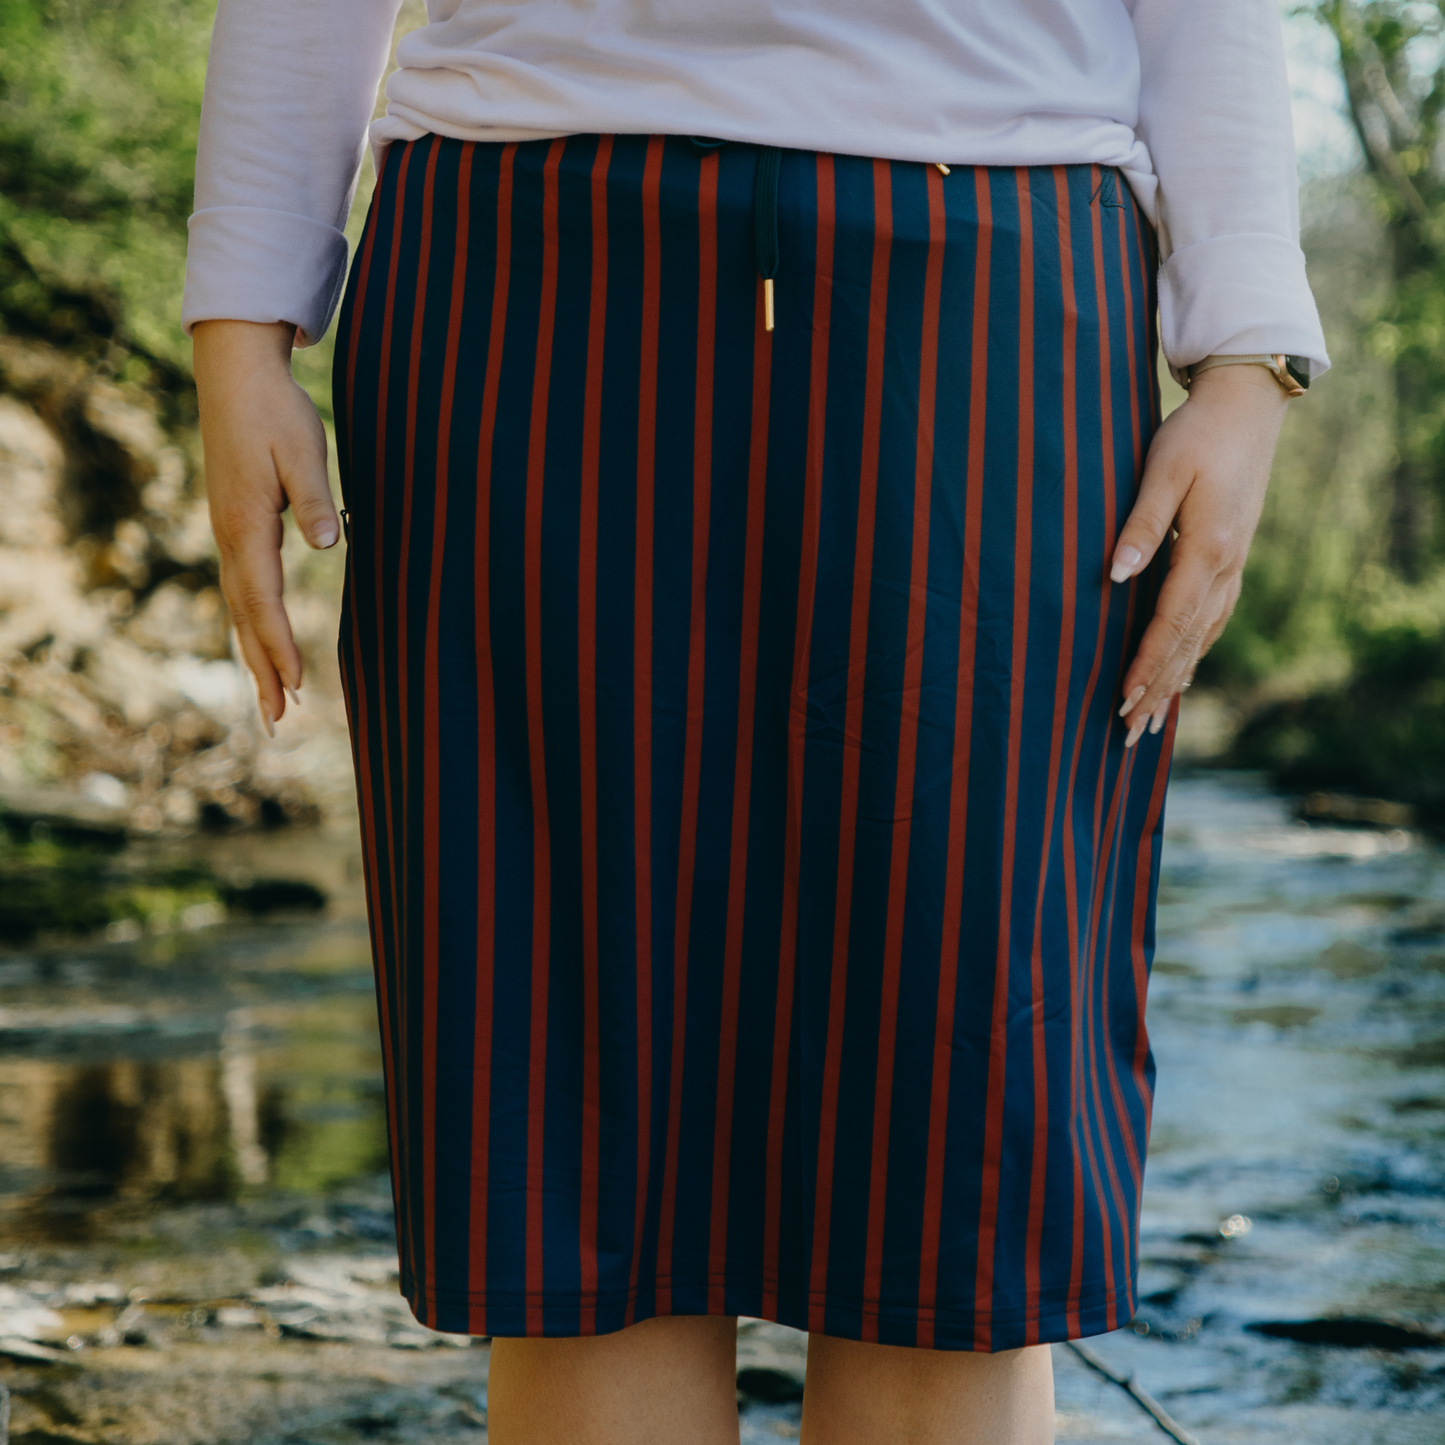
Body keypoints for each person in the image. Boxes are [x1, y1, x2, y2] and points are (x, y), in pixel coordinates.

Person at [184, 2, 1326, 1439]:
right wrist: (243, 324)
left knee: (954, 1166)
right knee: (576, 1165)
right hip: (512, 255)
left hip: (999, 268)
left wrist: (1247, 354)